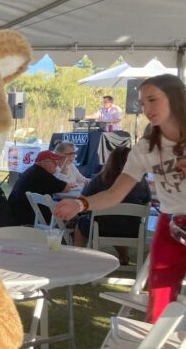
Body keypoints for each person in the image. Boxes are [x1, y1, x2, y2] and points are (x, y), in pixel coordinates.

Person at [55, 74, 186, 323]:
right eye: (142, 103)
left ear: (176, 98)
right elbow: (115, 193)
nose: (146, 109)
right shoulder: (146, 147)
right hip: (170, 225)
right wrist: (80, 203)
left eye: (152, 100)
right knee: (158, 302)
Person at [72, 146, 151, 265]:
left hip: (100, 228)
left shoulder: (98, 180)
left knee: (81, 224)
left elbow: (83, 202)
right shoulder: (141, 182)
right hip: (132, 230)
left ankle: (77, 258)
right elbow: (147, 202)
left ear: (110, 161)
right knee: (120, 221)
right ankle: (124, 256)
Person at [8, 150, 76, 225]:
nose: (56, 164)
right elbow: (66, 188)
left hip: (19, 214)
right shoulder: (42, 175)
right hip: (31, 217)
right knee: (75, 214)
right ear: (43, 163)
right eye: (53, 162)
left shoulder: (33, 170)